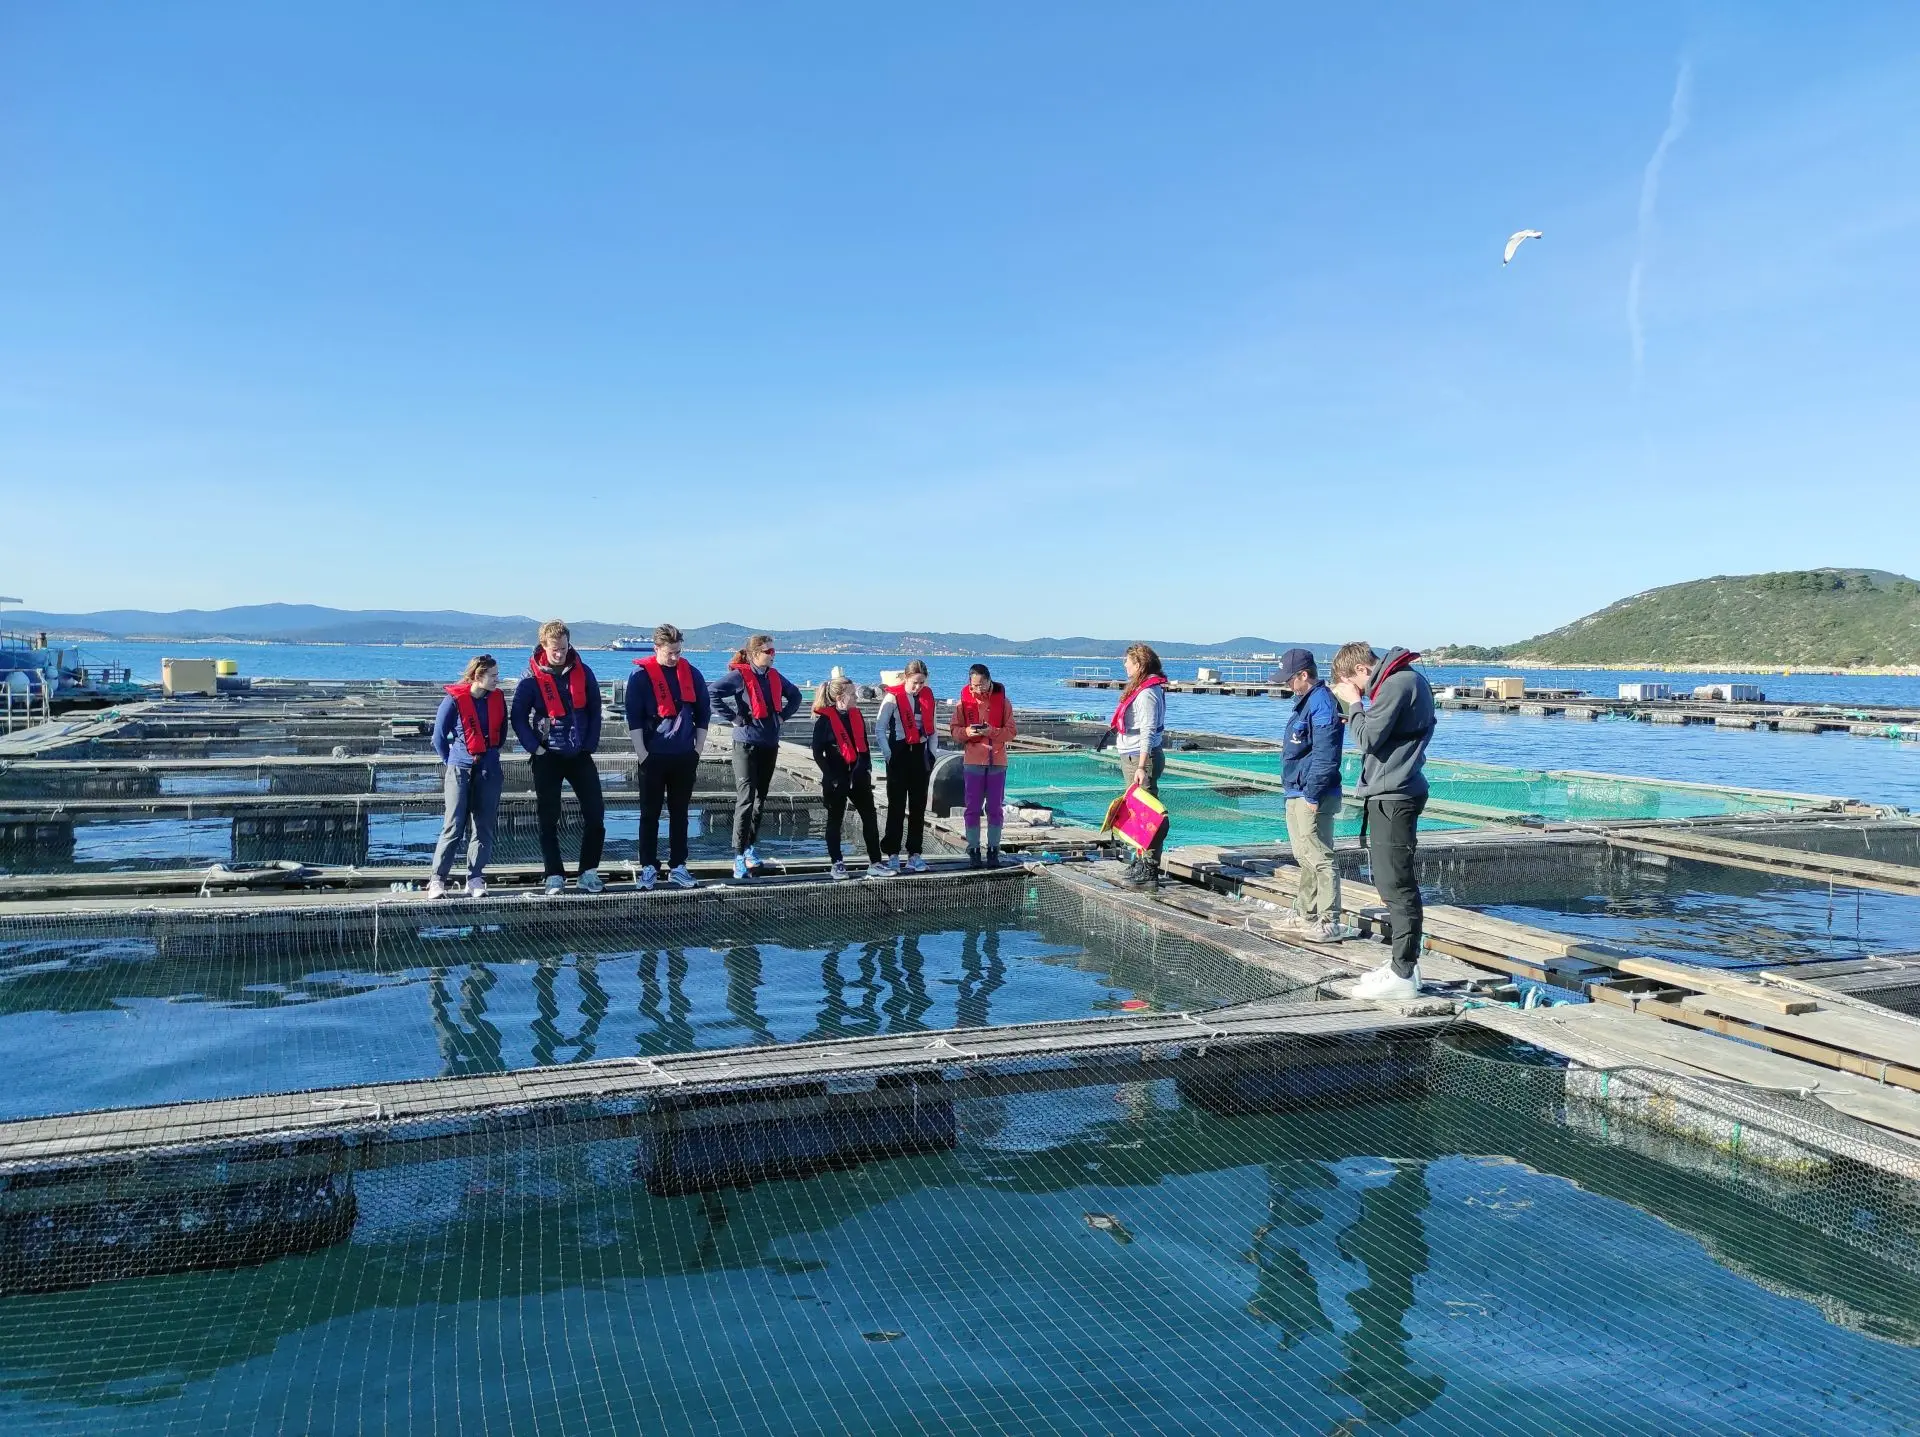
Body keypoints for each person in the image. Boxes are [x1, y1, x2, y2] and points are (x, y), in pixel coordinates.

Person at [1330, 642, 1435, 1000]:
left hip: (1395, 794)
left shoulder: (1396, 684)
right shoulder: (1403, 680)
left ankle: (1403, 972)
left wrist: (1354, 704)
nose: (1357, 693)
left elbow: (1367, 739)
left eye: (1354, 684)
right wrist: (1357, 707)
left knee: (1395, 884)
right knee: (1390, 879)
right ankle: (1403, 965)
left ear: (1361, 670)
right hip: (1395, 790)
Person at [510, 620, 606, 896]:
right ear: (544, 646)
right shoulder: (530, 678)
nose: (560, 653)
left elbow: (595, 709)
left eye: (564, 648)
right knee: (548, 818)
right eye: (555, 649)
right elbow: (518, 717)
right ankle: (554, 875)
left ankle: (588, 872)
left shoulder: (583, 672)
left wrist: (590, 745)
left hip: (580, 754)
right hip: (547, 755)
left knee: (595, 814)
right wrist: (535, 748)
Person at [624, 623, 711, 891]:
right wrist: (642, 754)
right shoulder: (640, 677)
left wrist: (697, 750)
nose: (674, 657)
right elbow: (633, 717)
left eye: (678, 652)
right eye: (669, 652)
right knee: (649, 814)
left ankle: (678, 866)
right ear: (657, 649)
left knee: (680, 813)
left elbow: (703, 713)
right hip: (653, 756)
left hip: (684, 755)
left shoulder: (692, 674)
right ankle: (648, 866)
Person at [710, 633, 801, 880]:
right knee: (746, 798)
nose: (772, 655)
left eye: (773, 651)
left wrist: (782, 717)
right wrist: (734, 718)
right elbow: (713, 692)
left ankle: (750, 846)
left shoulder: (774, 676)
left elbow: (795, 696)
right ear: (754, 654)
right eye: (768, 652)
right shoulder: (740, 676)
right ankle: (738, 854)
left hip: (769, 744)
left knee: (760, 799)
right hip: (746, 744)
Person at [1277, 647, 1349, 941]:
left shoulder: (1321, 703)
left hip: (1312, 792)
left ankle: (1330, 920)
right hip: (1294, 789)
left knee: (1320, 855)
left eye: (1289, 679)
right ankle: (1305, 912)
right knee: (1303, 854)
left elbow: (1326, 754)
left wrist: (1313, 793)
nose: (1286, 684)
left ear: (1303, 675)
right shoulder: (1303, 703)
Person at [428, 654, 507, 899]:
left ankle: (475, 878)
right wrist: (452, 761)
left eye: (497, 675)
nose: (497, 680)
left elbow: (502, 732)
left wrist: (489, 755)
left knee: (483, 825)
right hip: (459, 769)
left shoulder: (498, 699)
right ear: (477, 676)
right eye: (492, 676)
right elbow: (438, 738)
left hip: (489, 769)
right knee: (454, 824)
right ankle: (438, 879)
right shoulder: (453, 700)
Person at [811, 675, 894, 880]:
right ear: (841, 697)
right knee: (835, 819)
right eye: (852, 694)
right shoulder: (824, 722)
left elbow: (864, 745)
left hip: (858, 775)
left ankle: (875, 862)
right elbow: (817, 752)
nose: (856, 697)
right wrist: (830, 776)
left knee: (869, 817)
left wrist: (865, 769)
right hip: (836, 777)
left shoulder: (857, 716)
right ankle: (837, 863)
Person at [1103, 642, 1168, 889]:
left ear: (1139, 664)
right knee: (1136, 812)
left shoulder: (1147, 693)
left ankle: (1150, 866)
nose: (1125, 665)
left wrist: (1141, 765)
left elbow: (1148, 731)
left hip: (1140, 758)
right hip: (1130, 755)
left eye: (1128, 661)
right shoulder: (1141, 688)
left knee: (1147, 813)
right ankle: (1140, 860)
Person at [875, 659, 940, 872]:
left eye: (922, 683)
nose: (918, 687)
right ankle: (892, 852)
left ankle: (914, 853)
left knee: (918, 806)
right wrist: (888, 754)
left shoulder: (928, 697)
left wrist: (932, 754)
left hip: (920, 755)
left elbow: (933, 729)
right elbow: (880, 729)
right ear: (906, 678)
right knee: (896, 805)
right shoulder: (892, 697)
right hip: (899, 753)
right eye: (914, 682)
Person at [950, 663, 1016, 868]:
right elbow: (954, 730)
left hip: (997, 761)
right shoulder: (963, 703)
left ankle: (994, 849)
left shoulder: (1003, 702)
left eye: (982, 684)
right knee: (972, 807)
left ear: (989, 680)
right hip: (973, 761)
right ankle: (974, 849)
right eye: (974, 685)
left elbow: (1011, 732)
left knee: (995, 807)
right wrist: (967, 733)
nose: (978, 689)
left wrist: (992, 732)